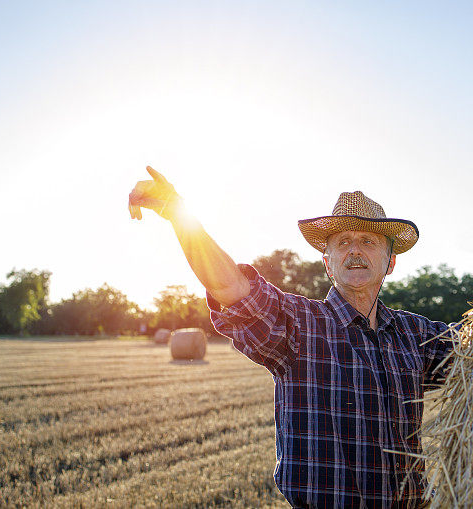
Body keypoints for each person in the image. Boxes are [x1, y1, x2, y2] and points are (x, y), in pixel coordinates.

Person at [129, 169, 456, 508]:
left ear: (390, 262)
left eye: (369, 241)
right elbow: (231, 287)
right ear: (328, 264)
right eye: (342, 242)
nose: (355, 251)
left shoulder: (415, 335)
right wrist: (178, 214)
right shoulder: (300, 324)